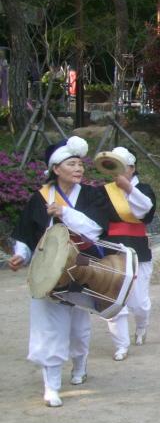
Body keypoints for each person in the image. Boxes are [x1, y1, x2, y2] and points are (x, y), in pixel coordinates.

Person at [8, 137, 108, 407]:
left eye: (80, 164)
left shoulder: (91, 194)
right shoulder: (39, 198)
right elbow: (27, 235)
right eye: (71, 163)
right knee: (49, 328)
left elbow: (97, 230)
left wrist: (65, 213)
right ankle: (51, 385)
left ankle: (79, 365)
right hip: (48, 272)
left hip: (81, 268)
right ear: (56, 169)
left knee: (78, 327)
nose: (79, 168)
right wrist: (21, 254)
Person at [100, 147, 157, 361]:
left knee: (139, 303)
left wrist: (129, 190)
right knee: (115, 301)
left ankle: (141, 326)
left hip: (138, 249)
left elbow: (146, 212)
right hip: (112, 250)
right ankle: (121, 344)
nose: (120, 171)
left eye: (124, 167)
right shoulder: (104, 191)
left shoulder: (144, 189)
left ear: (133, 168)